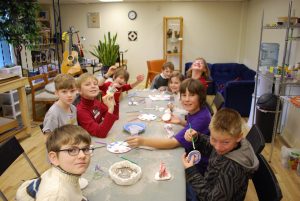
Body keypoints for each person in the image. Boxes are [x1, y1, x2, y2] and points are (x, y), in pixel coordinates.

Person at [127, 78, 211, 174]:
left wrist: (143, 141)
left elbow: (173, 143)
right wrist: (181, 122)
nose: (187, 99)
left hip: (198, 165)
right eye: (184, 95)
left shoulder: (202, 118)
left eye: (191, 95)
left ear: (200, 97)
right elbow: (194, 127)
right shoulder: (198, 110)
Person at [182, 108, 259, 201]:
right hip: (208, 186)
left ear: (239, 137)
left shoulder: (231, 169)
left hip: (209, 196)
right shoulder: (233, 144)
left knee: (178, 187)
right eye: (213, 139)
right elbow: (212, 148)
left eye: (225, 142)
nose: (218, 147)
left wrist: (191, 172)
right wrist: (197, 137)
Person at [16, 125, 93, 201]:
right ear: (54, 158)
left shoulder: (67, 171)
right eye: (71, 150)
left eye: (85, 149)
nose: (82, 155)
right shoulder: (56, 195)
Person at [76, 72, 118, 138]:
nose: (93, 86)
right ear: (79, 90)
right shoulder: (81, 111)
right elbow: (100, 133)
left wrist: (112, 102)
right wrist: (110, 108)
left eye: (95, 84)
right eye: (87, 84)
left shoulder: (95, 101)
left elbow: (115, 117)